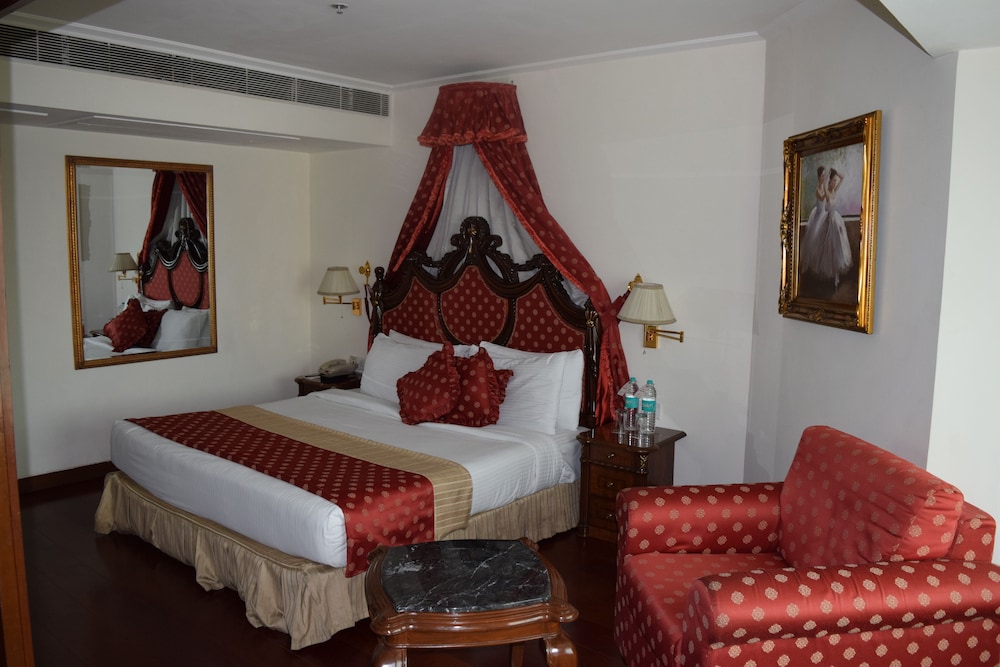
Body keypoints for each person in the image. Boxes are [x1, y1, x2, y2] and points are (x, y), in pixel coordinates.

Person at [800, 167, 852, 287]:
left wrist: (835, 172)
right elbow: (824, 198)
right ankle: (833, 276)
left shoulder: (834, 190)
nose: (834, 183)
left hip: (835, 220)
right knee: (829, 248)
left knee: (837, 247)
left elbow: (843, 177)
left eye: (835, 181)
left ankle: (836, 276)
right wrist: (827, 179)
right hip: (828, 221)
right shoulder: (827, 191)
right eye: (832, 181)